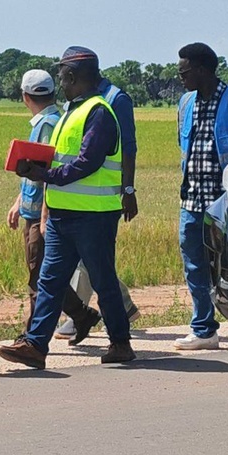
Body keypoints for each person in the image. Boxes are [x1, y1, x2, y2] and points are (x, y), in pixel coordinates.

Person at [0, 46, 136, 369]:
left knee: (103, 280)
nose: (60, 83)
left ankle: (120, 342)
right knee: (49, 280)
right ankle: (35, 345)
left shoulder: (98, 112)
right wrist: (34, 167)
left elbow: (87, 162)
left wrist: (44, 175)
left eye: (62, 76)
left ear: (72, 76)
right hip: (62, 215)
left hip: (93, 216)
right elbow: (59, 158)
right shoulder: (72, 112)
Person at [176, 42, 228, 350]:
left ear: (201, 70)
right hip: (191, 200)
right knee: (194, 265)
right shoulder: (186, 103)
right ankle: (204, 329)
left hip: (225, 203)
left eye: (184, 72)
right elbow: (184, 148)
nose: (181, 78)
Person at [6, 69, 101, 342]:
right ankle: (81, 315)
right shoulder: (51, 121)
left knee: (39, 277)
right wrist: (19, 201)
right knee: (46, 275)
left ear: (25, 97)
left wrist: (43, 216)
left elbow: (47, 174)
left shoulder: (47, 125)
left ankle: (32, 337)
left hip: (41, 213)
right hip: (35, 209)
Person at [55, 68, 140, 340]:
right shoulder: (78, 101)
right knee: (91, 263)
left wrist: (128, 189)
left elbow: (128, 146)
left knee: (94, 264)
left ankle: (93, 318)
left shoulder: (115, 100)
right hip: (75, 199)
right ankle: (119, 310)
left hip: (101, 199)